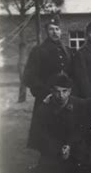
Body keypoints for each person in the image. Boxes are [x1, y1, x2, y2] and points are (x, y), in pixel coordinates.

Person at [23, 14, 72, 149]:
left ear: (61, 31)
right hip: (47, 97)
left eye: (57, 29)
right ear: (47, 32)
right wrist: (45, 92)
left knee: (64, 129)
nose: (55, 32)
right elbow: (29, 77)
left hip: (64, 98)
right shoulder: (38, 50)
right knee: (46, 133)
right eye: (51, 29)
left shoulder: (67, 50)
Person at [30, 73, 88, 173]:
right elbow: (41, 133)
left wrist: (69, 145)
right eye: (57, 91)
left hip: (73, 145)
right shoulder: (44, 108)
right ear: (52, 91)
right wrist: (58, 148)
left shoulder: (80, 105)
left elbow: (82, 129)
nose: (61, 95)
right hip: (54, 146)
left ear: (70, 91)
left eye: (64, 91)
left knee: (81, 171)